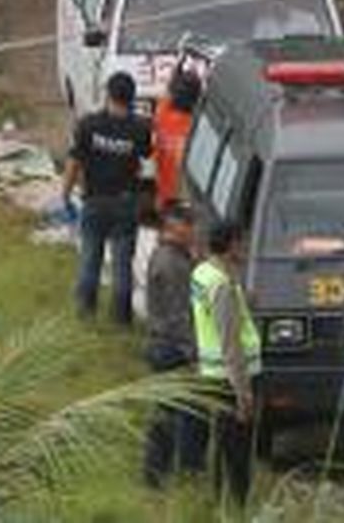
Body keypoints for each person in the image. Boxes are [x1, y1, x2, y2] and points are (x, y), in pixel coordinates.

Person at [62, 72, 151, 325]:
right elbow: (146, 158)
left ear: (108, 94)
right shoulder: (139, 129)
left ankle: (85, 312)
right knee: (122, 263)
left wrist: (65, 194)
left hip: (94, 201)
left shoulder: (88, 125)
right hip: (125, 203)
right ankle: (121, 318)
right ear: (132, 98)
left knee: (91, 258)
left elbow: (73, 162)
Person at [186, 222, 262, 505]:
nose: (245, 247)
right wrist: (243, 394)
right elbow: (231, 344)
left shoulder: (204, 273)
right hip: (230, 379)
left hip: (214, 374)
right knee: (238, 451)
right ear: (231, 245)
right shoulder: (222, 285)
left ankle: (219, 500)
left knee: (222, 445)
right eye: (242, 242)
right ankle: (237, 506)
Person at [143, 203, 197, 486]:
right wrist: (194, 353)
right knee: (176, 415)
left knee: (172, 412)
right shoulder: (172, 263)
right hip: (171, 348)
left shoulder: (171, 256)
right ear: (175, 228)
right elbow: (179, 315)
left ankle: (161, 473)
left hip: (162, 344)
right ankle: (162, 474)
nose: (194, 232)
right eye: (189, 227)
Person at [152, 69, 202, 212]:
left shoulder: (162, 113)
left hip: (165, 195)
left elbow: (167, 94)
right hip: (190, 198)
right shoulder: (198, 124)